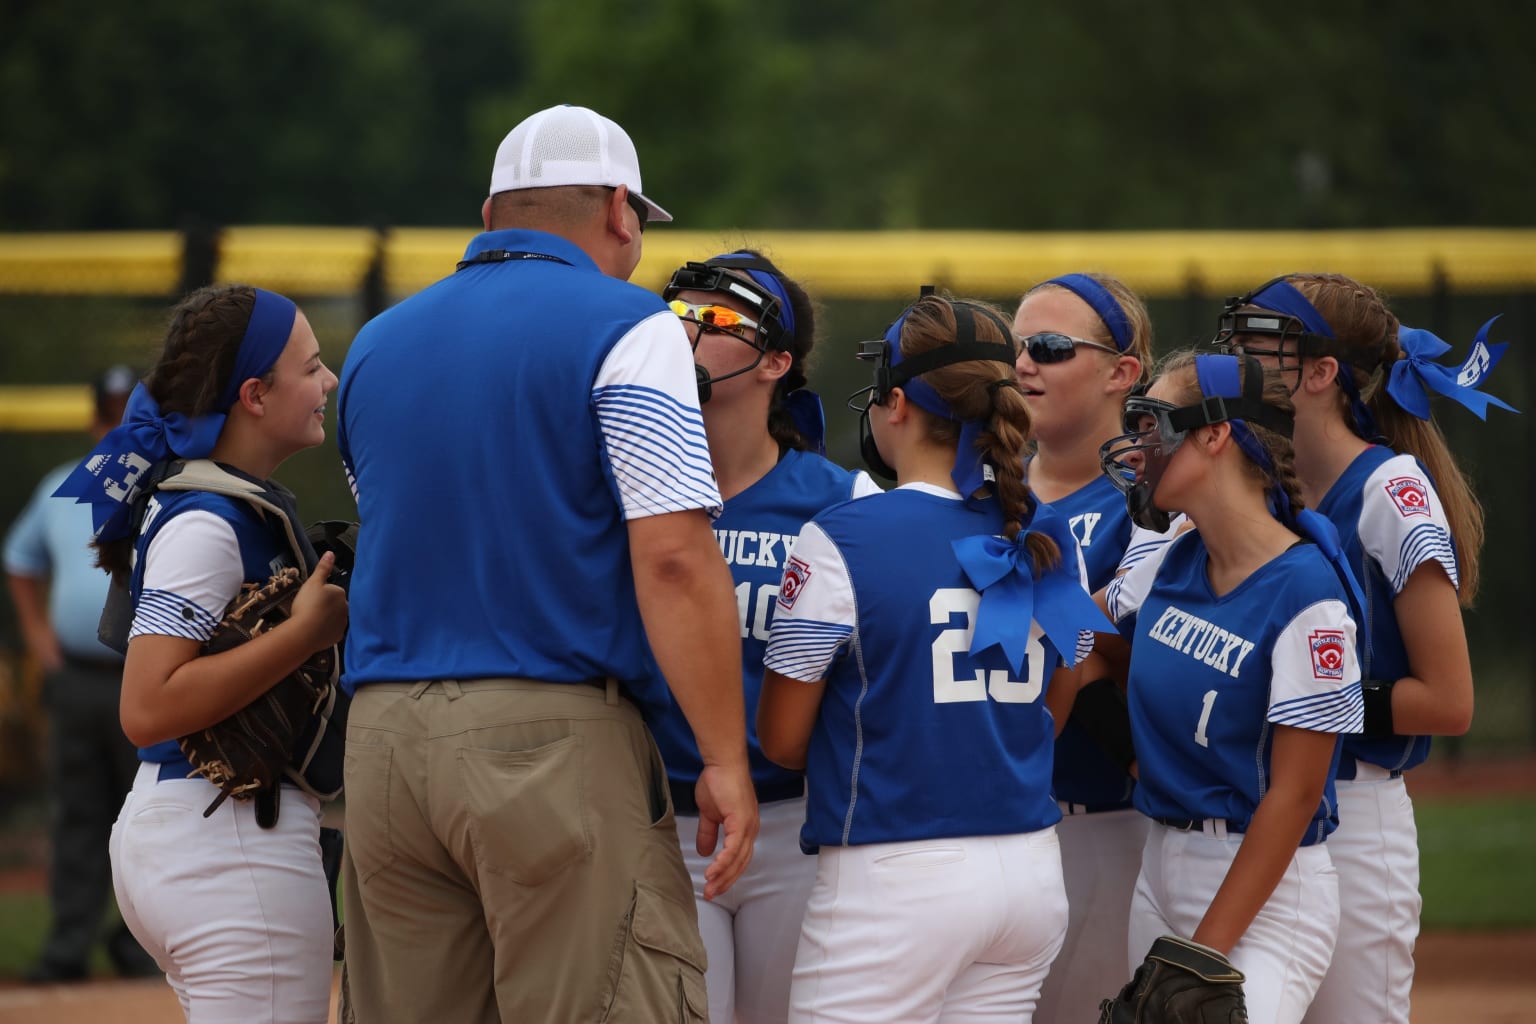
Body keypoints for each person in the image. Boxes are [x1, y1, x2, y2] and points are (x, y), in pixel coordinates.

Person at [335, 103, 759, 1023]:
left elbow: (396, 528)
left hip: (381, 742)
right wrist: (725, 756)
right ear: (618, 211)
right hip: (547, 737)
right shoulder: (628, 322)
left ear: (490, 215)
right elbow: (674, 559)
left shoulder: (375, 343)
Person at [757, 293, 1111, 1023]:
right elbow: (1059, 697)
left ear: (896, 404)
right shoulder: (1047, 531)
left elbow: (783, 741)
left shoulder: (843, 535)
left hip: (894, 868)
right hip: (1029, 866)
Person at [1212, 274, 1511, 1024]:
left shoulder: (1388, 488)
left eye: (1261, 342)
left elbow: (1448, 701)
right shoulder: (1259, 485)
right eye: (1236, 337)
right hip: (1260, 809)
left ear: (1320, 373)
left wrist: (1304, 704)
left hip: (1352, 813)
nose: (1236, 356)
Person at [51, 284, 347, 1022]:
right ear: (254, 394)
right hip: (229, 841)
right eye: (311, 366)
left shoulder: (219, 506)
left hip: (207, 833)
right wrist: (302, 636)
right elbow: (147, 708)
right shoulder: (206, 523)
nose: (329, 381)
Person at [1093, 351, 1366, 1023]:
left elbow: (1296, 795)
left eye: (1154, 425)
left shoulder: (1308, 595)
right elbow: (1075, 638)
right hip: (1159, 868)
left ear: (1215, 433)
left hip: (1265, 891)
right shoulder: (1172, 556)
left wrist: (1199, 960)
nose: (1138, 447)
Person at [646, 250, 881, 1024]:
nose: (687, 332)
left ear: (776, 362)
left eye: (715, 320)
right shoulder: (625, 489)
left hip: (795, 824)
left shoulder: (843, 500)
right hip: (657, 823)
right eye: (676, 315)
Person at [1011, 272, 1159, 1021]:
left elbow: (1158, 668)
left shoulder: (1153, 501)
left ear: (1121, 372)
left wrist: (1084, 644)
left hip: (1109, 828)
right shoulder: (982, 488)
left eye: (1048, 347)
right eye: (1014, 348)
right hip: (984, 828)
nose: (1022, 364)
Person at [3, 365, 157, 983]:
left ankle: (140, 943)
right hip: (78, 677)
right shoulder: (62, 486)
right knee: (79, 811)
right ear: (94, 422)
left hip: (146, 679)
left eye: (131, 415)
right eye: (110, 415)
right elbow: (19, 558)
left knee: (150, 814)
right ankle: (68, 945)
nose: (118, 427)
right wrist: (38, 636)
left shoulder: (169, 486)